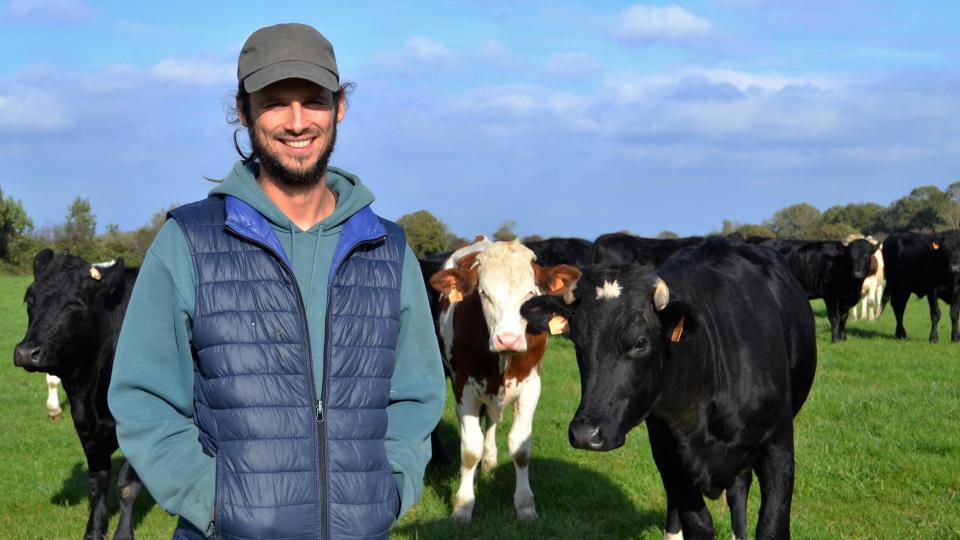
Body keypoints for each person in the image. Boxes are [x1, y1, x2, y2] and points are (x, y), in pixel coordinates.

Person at [108, 23, 446, 540]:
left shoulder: (386, 248)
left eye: (313, 100)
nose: (296, 122)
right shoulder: (190, 239)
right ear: (243, 111)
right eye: (274, 102)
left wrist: (392, 487)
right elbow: (142, 397)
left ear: (340, 107)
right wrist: (213, 503)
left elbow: (417, 394)